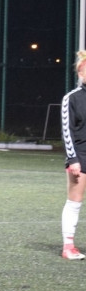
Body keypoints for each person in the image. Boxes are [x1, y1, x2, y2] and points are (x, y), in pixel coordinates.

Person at [61, 51, 86, 260]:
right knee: (75, 200)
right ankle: (68, 246)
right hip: (81, 156)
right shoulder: (71, 98)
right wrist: (73, 159)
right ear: (80, 71)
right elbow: (67, 131)